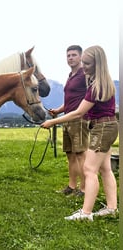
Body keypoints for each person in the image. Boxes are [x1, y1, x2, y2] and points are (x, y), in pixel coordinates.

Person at [41, 45, 118, 221]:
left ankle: (86, 213)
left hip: (102, 128)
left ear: (96, 64)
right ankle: (112, 208)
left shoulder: (95, 86)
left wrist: (52, 121)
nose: (85, 66)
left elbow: (78, 112)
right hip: (108, 125)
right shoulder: (103, 82)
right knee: (105, 169)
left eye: (87, 63)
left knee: (89, 169)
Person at [48, 45, 89, 197]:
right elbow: (70, 100)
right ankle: (71, 187)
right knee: (70, 154)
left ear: (81, 57)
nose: (70, 58)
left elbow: (89, 97)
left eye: (74, 55)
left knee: (80, 154)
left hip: (79, 119)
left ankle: (84, 189)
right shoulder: (70, 76)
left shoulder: (84, 74)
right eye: (68, 55)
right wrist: (58, 111)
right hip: (67, 119)